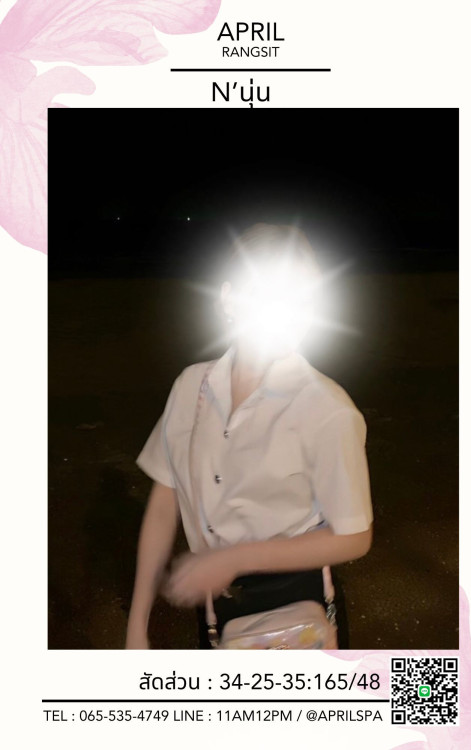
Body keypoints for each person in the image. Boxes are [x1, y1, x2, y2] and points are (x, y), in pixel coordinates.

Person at [125, 223, 373, 649]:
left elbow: (354, 536)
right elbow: (165, 501)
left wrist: (234, 559)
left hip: (298, 618)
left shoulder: (326, 408)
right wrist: (137, 624)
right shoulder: (191, 388)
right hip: (215, 618)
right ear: (228, 299)